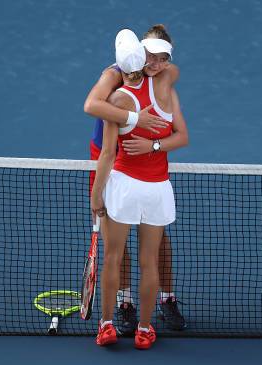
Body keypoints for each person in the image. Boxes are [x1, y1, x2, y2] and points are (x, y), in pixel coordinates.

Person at [84, 24, 187, 335]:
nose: (155, 64)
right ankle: (124, 301)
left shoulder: (163, 77)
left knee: (156, 240)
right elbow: (91, 106)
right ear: (140, 54)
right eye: (150, 57)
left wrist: (152, 141)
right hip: (108, 154)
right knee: (118, 238)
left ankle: (166, 298)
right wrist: (135, 118)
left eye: (162, 59)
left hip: (144, 165)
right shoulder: (113, 75)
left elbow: (173, 78)